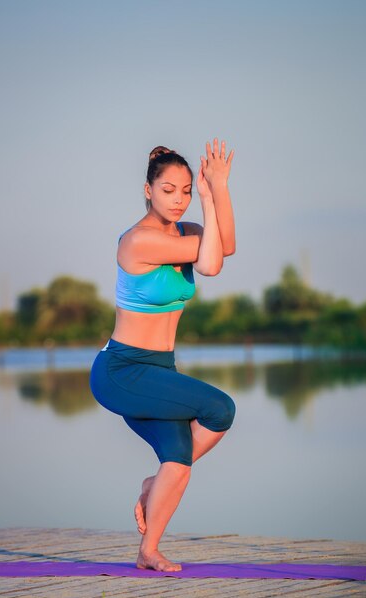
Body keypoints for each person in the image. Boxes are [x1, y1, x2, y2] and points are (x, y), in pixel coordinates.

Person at [90, 138, 236, 572]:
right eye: (169, 189)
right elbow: (210, 264)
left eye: (188, 190)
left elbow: (224, 247)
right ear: (148, 190)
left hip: (160, 370)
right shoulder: (138, 241)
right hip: (122, 369)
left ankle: (148, 549)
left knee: (178, 460)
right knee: (219, 408)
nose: (180, 199)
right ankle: (155, 490)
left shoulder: (188, 232)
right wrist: (208, 205)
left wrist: (220, 188)